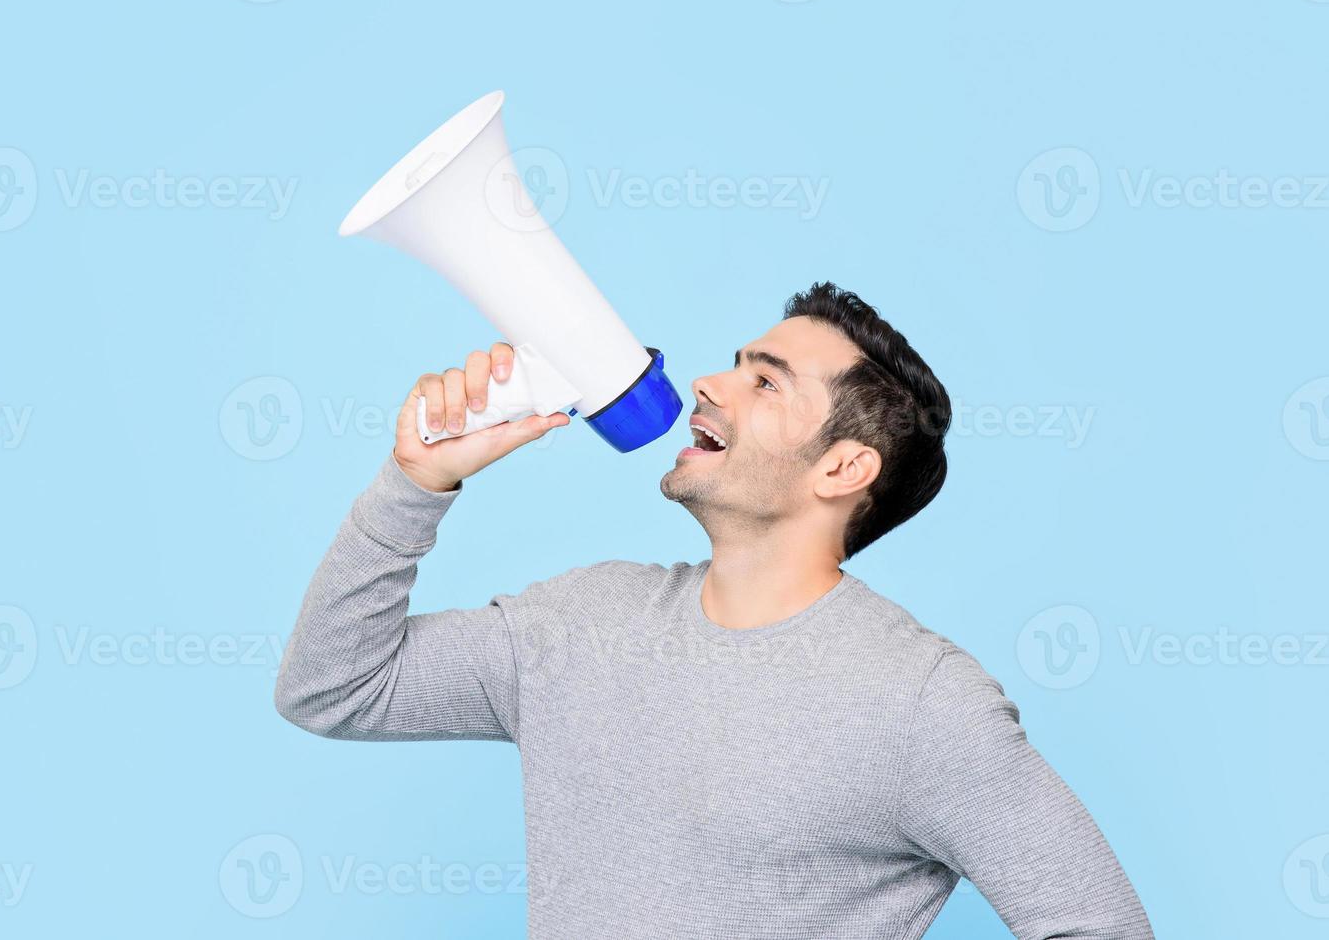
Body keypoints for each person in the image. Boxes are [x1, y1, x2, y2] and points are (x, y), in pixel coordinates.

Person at [274, 281, 1153, 938]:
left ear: (843, 468)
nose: (709, 383)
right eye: (736, 364)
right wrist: (418, 481)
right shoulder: (581, 622)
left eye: (765, 382)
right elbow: (333, 689)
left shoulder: (923, 704)